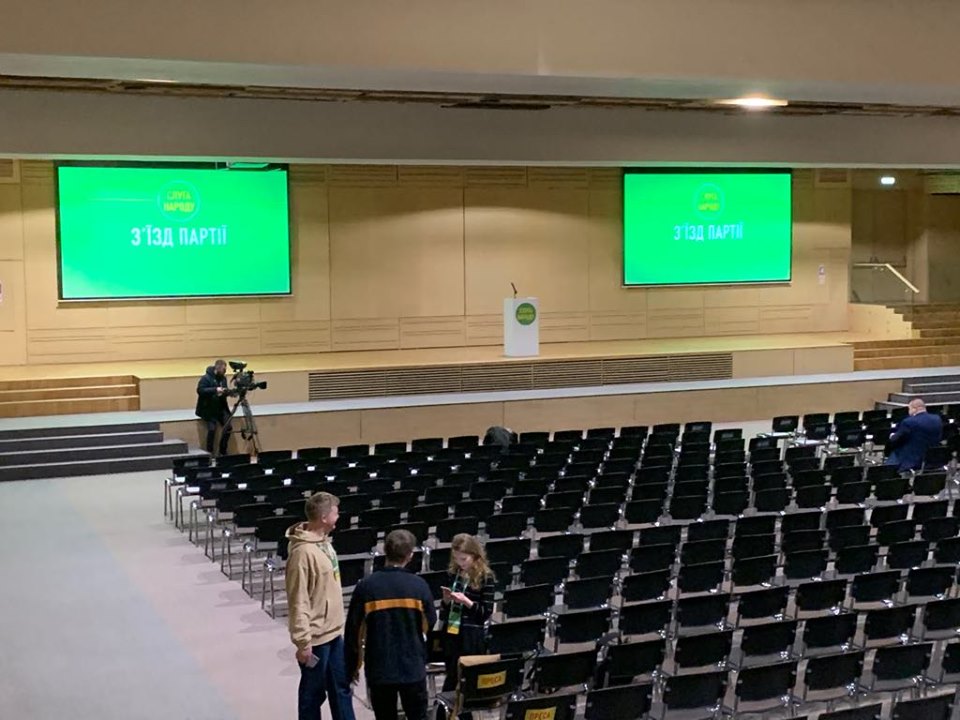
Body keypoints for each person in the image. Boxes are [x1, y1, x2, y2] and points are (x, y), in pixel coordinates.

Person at [344, 529, 437, 720]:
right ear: (410, 555)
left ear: (384, 551)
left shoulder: (366, 586)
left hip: (380, 667)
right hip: (412, 666)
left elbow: (354, 631)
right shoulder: (419, 585)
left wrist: (352, 667)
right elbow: (429, 622)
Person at [286, 492, 356, 720]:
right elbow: (298, 600)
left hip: (334, 631)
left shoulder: (324, 543)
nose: (339, 516)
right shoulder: (302, 554)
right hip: (315, 638)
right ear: (324, 517)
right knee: (312, 695)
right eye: (336, 512)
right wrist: (302, 641)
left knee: (341, 689)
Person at [439, 533, 496, 692]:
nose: (460, 563)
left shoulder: (486, 577)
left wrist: (466, 601)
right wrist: (446, 601)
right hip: (452, 630)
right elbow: (445, 609)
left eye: (464, 559)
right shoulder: (453, 574)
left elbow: (485, 613)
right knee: (452, 675)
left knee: (466, 681)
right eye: (456, 558)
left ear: (475, 556)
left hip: (471, 635)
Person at [886, 398, 943, 472]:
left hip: (913, 458)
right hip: (932, 457)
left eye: (909, 409)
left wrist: (892, 436)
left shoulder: (908, 422)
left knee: (893, 449)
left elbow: (896, 439)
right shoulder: (937, 419)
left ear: (914, 409)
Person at [195, 358, 232, 456]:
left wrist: (227, 392)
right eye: (223, 370)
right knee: (212, 429)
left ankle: (223, 450)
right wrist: (215, 390)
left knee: (228, 427)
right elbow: (200, 390)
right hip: (209, 408)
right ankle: (209, 451)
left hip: (221, 407)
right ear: (217, 368)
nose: (224, 372)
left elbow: (224, 389)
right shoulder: (206, 378)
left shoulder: (223, 378)